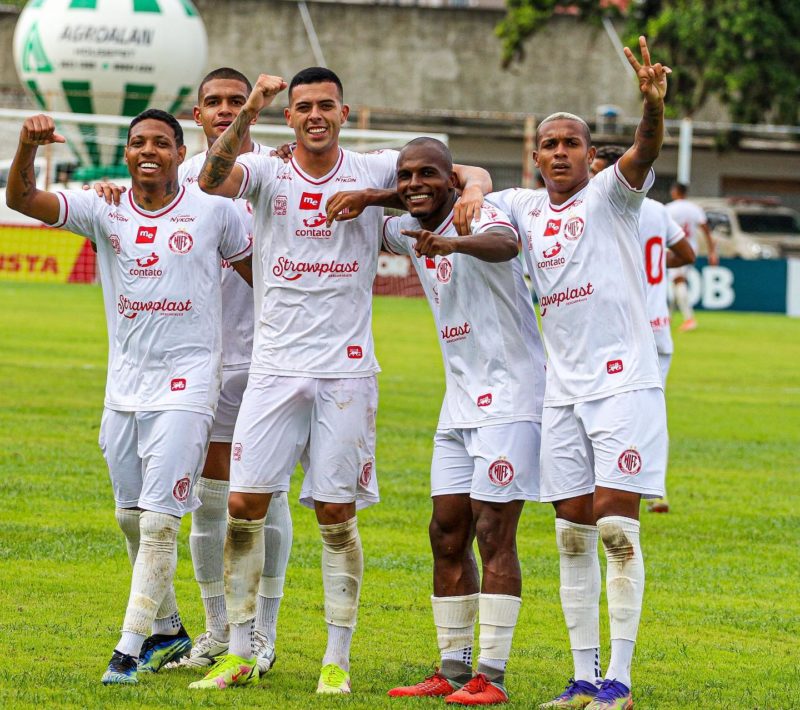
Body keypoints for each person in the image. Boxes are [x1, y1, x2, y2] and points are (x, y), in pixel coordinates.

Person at [193, 67, 492, 693]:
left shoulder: (375, 167)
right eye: (303, 107)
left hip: (346, 371)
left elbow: (453, 170)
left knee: (335, 513)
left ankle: (337, 658)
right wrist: (250, 106)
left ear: (345, 112)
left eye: (325, 105)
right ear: (290, 116)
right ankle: (241, 650)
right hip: (274, 368)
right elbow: (210, 177)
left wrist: (475, 186)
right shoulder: (269, 171)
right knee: (245, 503)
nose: (315, 116)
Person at [6, 109, 253, 685]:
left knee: (162, 519)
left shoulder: (214, 211)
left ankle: (127, 650)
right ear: (126, 154)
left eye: (161, 143)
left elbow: (257, 278)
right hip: (124, 387)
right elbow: (22, 199)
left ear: (178, 151)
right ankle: (168, 630)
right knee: (130, 518)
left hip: (190, 384)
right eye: (138, 142)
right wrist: (25, 146)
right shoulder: (104, 208)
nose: (149, 151)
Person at [327, 137, 546, 705]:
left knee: (496, 532)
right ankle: (452, 669)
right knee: (446, 532)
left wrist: (455, 240)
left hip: (513, 395)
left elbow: (503, 244)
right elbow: (407, 196)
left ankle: (491, 678)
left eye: (430, 173)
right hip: (459, 402)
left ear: (454, 180)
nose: (416, 182)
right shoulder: (406, 224)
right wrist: (380, 193)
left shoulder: (482, 211)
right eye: (406, 175)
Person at [486, 37, 669, 710]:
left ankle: (619, 681)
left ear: (592, 156)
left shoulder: (612, 199)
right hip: (561, 393)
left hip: (624, 385)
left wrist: (652, 108)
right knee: (570, 535)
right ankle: (584, 677)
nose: (559, 152)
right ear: (535, 157)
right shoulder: (523, 209)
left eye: (571, 143)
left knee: (617, 529)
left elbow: (645, 151)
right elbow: (468, 188)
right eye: (548, 143)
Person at [591, 146, 695, 515]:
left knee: (601, 409)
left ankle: (602, 483)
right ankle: (656, 490)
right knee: (650, 412)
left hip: (620, 328)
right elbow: (686, 255)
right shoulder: (658, 210)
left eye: (599, 173)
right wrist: (653, 265)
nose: (594, 181)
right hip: (658, 327)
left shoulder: (605, 210)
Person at [666, 181, 717, 331]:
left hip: (674, 249)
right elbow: (706, 230)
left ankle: (689, 319)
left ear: (675, 192)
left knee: (678, 281)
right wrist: (712, 251)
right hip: (690, 250)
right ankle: (668, 316)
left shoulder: (668, 209)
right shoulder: (695, 209)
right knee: (677, 282)